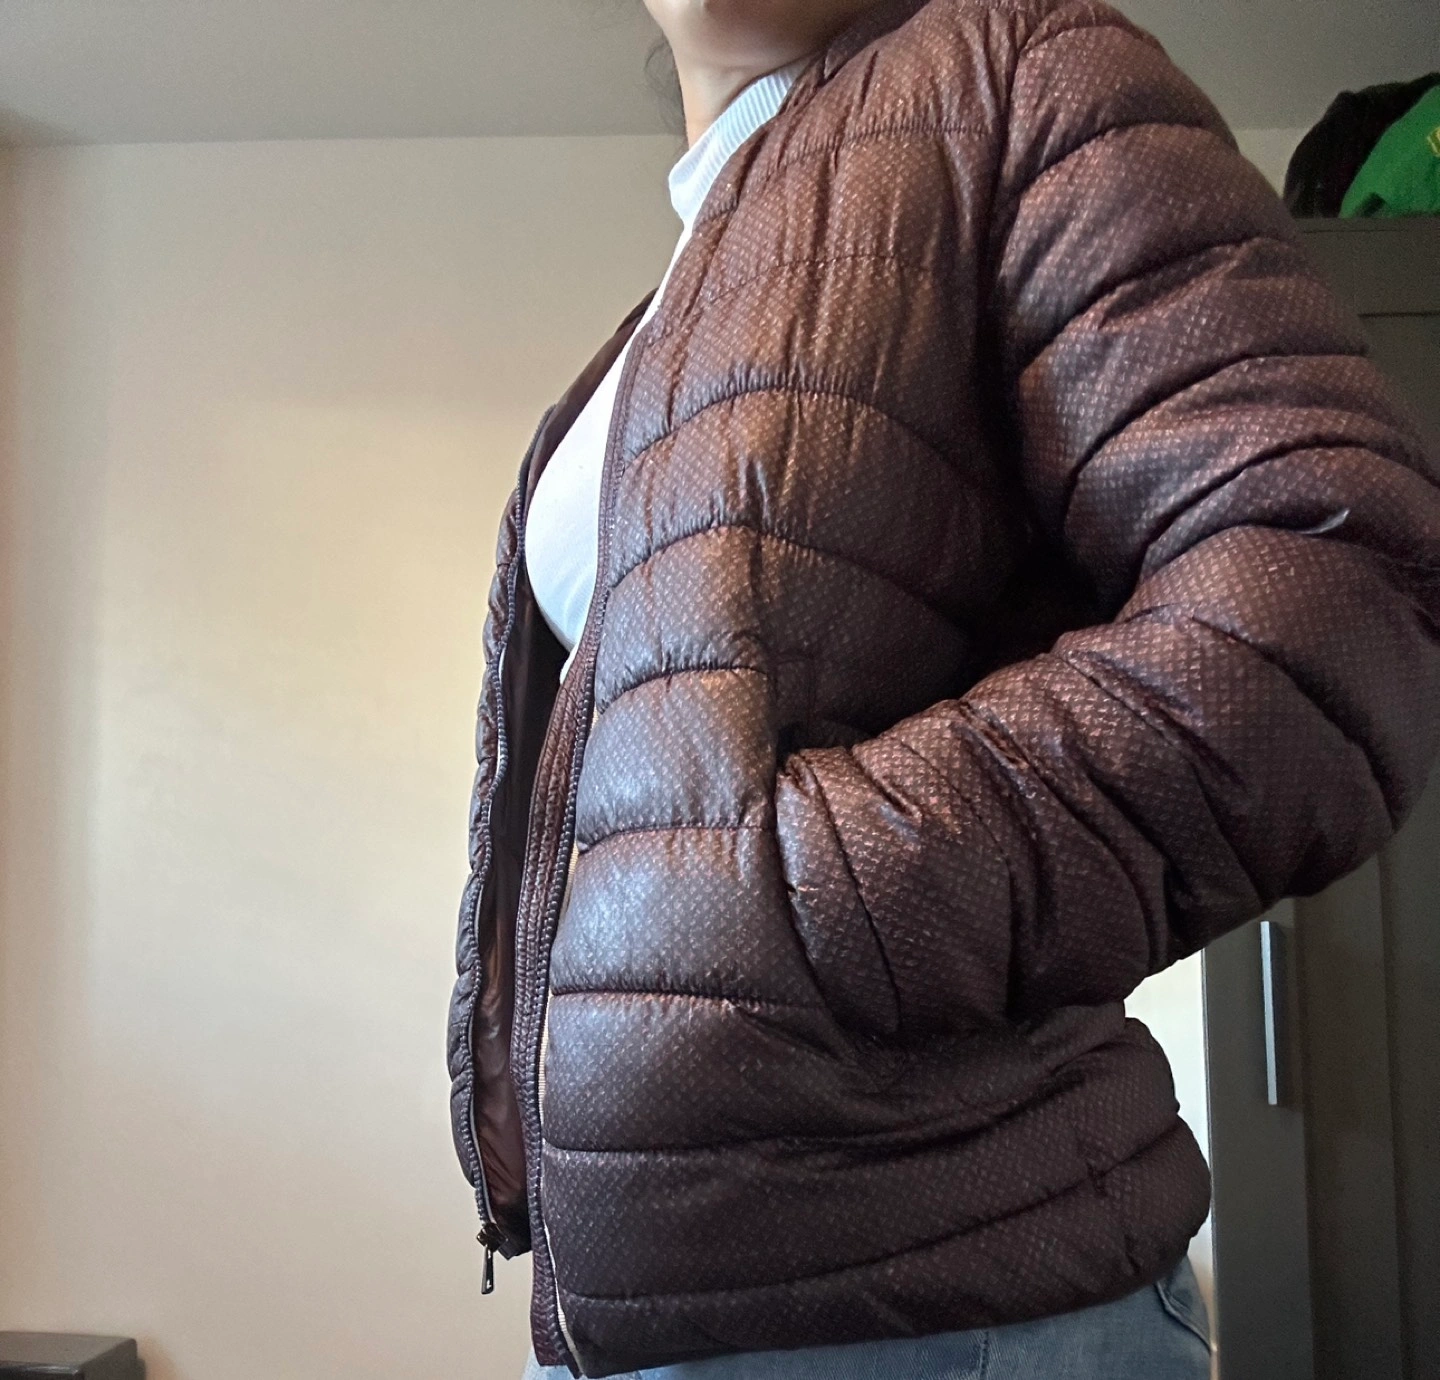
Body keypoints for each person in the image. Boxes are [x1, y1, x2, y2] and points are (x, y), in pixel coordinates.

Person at [446, 0, 1440, 1377]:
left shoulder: (1011, 66)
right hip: (656, 1311)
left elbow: (1328, 597)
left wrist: (800, 898)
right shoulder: (684, 291)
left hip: (944, 1312)